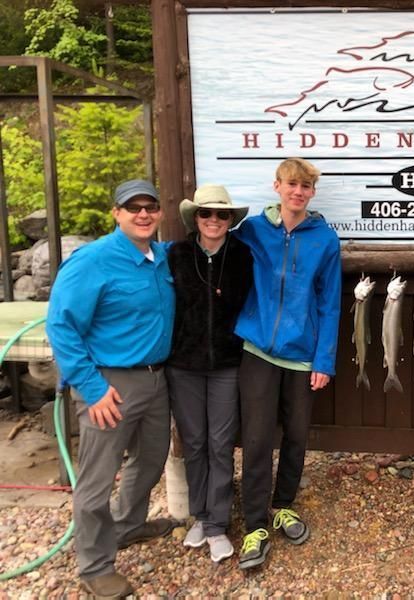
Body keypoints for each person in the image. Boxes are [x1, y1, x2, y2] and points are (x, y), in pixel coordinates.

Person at [46, 179, 176, 598]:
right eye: (132, 207)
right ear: (116, 213)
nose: (143, 214)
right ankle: (95, 566)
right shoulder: (93, 261)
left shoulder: (160, 257)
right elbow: (61, 326)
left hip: (157, 380)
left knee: (151, 459)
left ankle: (128, 526)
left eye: (150, 206)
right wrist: (91, 387)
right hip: (109, 385)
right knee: (97, 480)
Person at [233, 157, 342, 570]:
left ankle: (283, 505)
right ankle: (255, 525)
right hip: (258, 350)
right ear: (276, 186)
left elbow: (330, 304)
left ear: (312, 193)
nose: (298, 192)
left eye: (306, 187)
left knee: (296, 435)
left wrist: (324, 361)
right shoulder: (252, 231)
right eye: (291, 184)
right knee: (257, 438)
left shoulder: (325, 240)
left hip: (302, 356)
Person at [166, 184, 252, 563]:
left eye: (221, 214)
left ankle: (217, 523)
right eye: (206, 213)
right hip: (183, 365)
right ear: (195, 218)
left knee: (220, 444)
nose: (214, 220)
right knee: (195, 443)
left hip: (227, 365)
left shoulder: (243, 255)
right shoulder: (176, 255)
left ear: (230, 220)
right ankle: (200, 515)